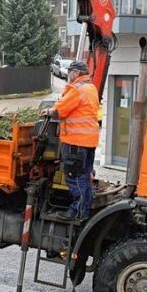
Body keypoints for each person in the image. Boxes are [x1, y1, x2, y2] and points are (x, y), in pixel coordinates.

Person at [39, 60, 100, 220]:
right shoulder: (91, 88)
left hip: (76, 142)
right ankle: (85, 210)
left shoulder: (77, 89)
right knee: (85, 176)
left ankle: (76, 212)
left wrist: (47, 111)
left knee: (74, 177)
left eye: (70, 71)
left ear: (77, 73)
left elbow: (60, 111)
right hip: (89, 141)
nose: (68, 74)